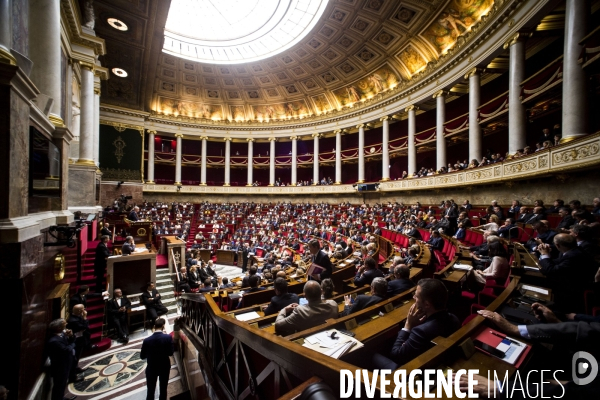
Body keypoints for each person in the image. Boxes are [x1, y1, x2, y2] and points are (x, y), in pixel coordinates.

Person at [372, 279, 460, 369]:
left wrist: (408, 325)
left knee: (371, 354)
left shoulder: (421, 331)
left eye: (416, 296)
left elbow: (396, 356)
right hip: (438, 361)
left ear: (427, 304)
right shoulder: (454, 318)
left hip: (413, 373)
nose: (414, 297)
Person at [140, 318, 174, 400]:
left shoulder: (147, 341)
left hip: (152, 368)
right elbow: (170, 353)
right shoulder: (168, 338)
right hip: (164, 367)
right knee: (163, 390)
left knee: (150, 391)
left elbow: (142, 356)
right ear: (163, 326)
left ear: (154, 326)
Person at [47, 319, 79, 400]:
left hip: (66, 362)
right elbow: (66, 349)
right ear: (58, 327)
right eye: (64, 324)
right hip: (60, 366)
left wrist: (71, 336)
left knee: (62, 384)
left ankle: (61, 397)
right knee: (59, 385)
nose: (66, 324)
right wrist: (73, 343)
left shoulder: (61, 334)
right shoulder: (54, 341)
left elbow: (69, 342)